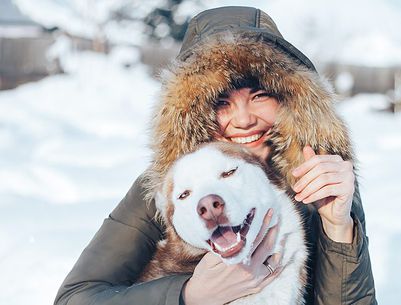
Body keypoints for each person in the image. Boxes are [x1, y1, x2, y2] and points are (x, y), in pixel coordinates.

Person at [55, 6, 377, 305]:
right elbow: (76, 297)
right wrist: (187, 295)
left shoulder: (320, 176)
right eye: (222, 103)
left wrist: (338, 228)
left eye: (260, 95)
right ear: (193, 115)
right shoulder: (169, 188)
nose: (244, 119)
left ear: (289, 100)